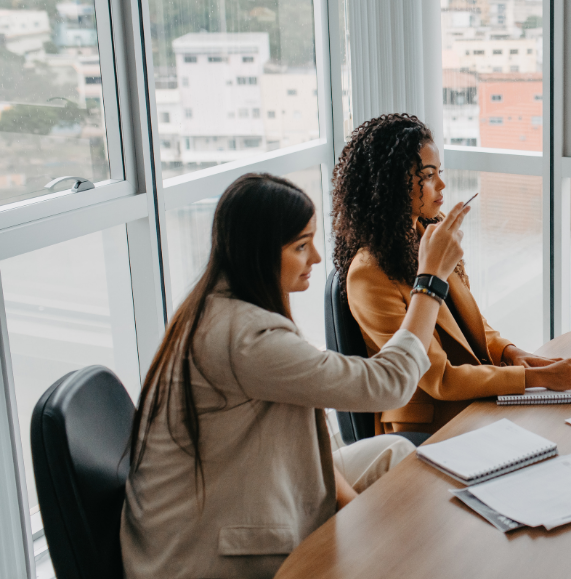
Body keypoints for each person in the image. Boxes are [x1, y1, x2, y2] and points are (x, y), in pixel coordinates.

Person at [121, 173, 469, 579]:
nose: (317, 258)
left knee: (392, 452)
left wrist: (354, 504)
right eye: (301, 246)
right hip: (203, 552)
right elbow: (388, 383)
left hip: (241, 489)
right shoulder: (245, 339)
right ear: (260, 253)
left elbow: (307, 437)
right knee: (395, 501)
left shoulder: (222, 303)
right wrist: (429, 282)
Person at [332, 113, 571, 435]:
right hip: (426, 429)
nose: (441, 184)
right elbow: (440, 380)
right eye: (427, 176)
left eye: (439, 172)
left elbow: (469, 323)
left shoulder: (428, 232)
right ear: (389, 185)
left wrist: (512, 353)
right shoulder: (368, 275)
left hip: (469, 401)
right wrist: (534, 378)